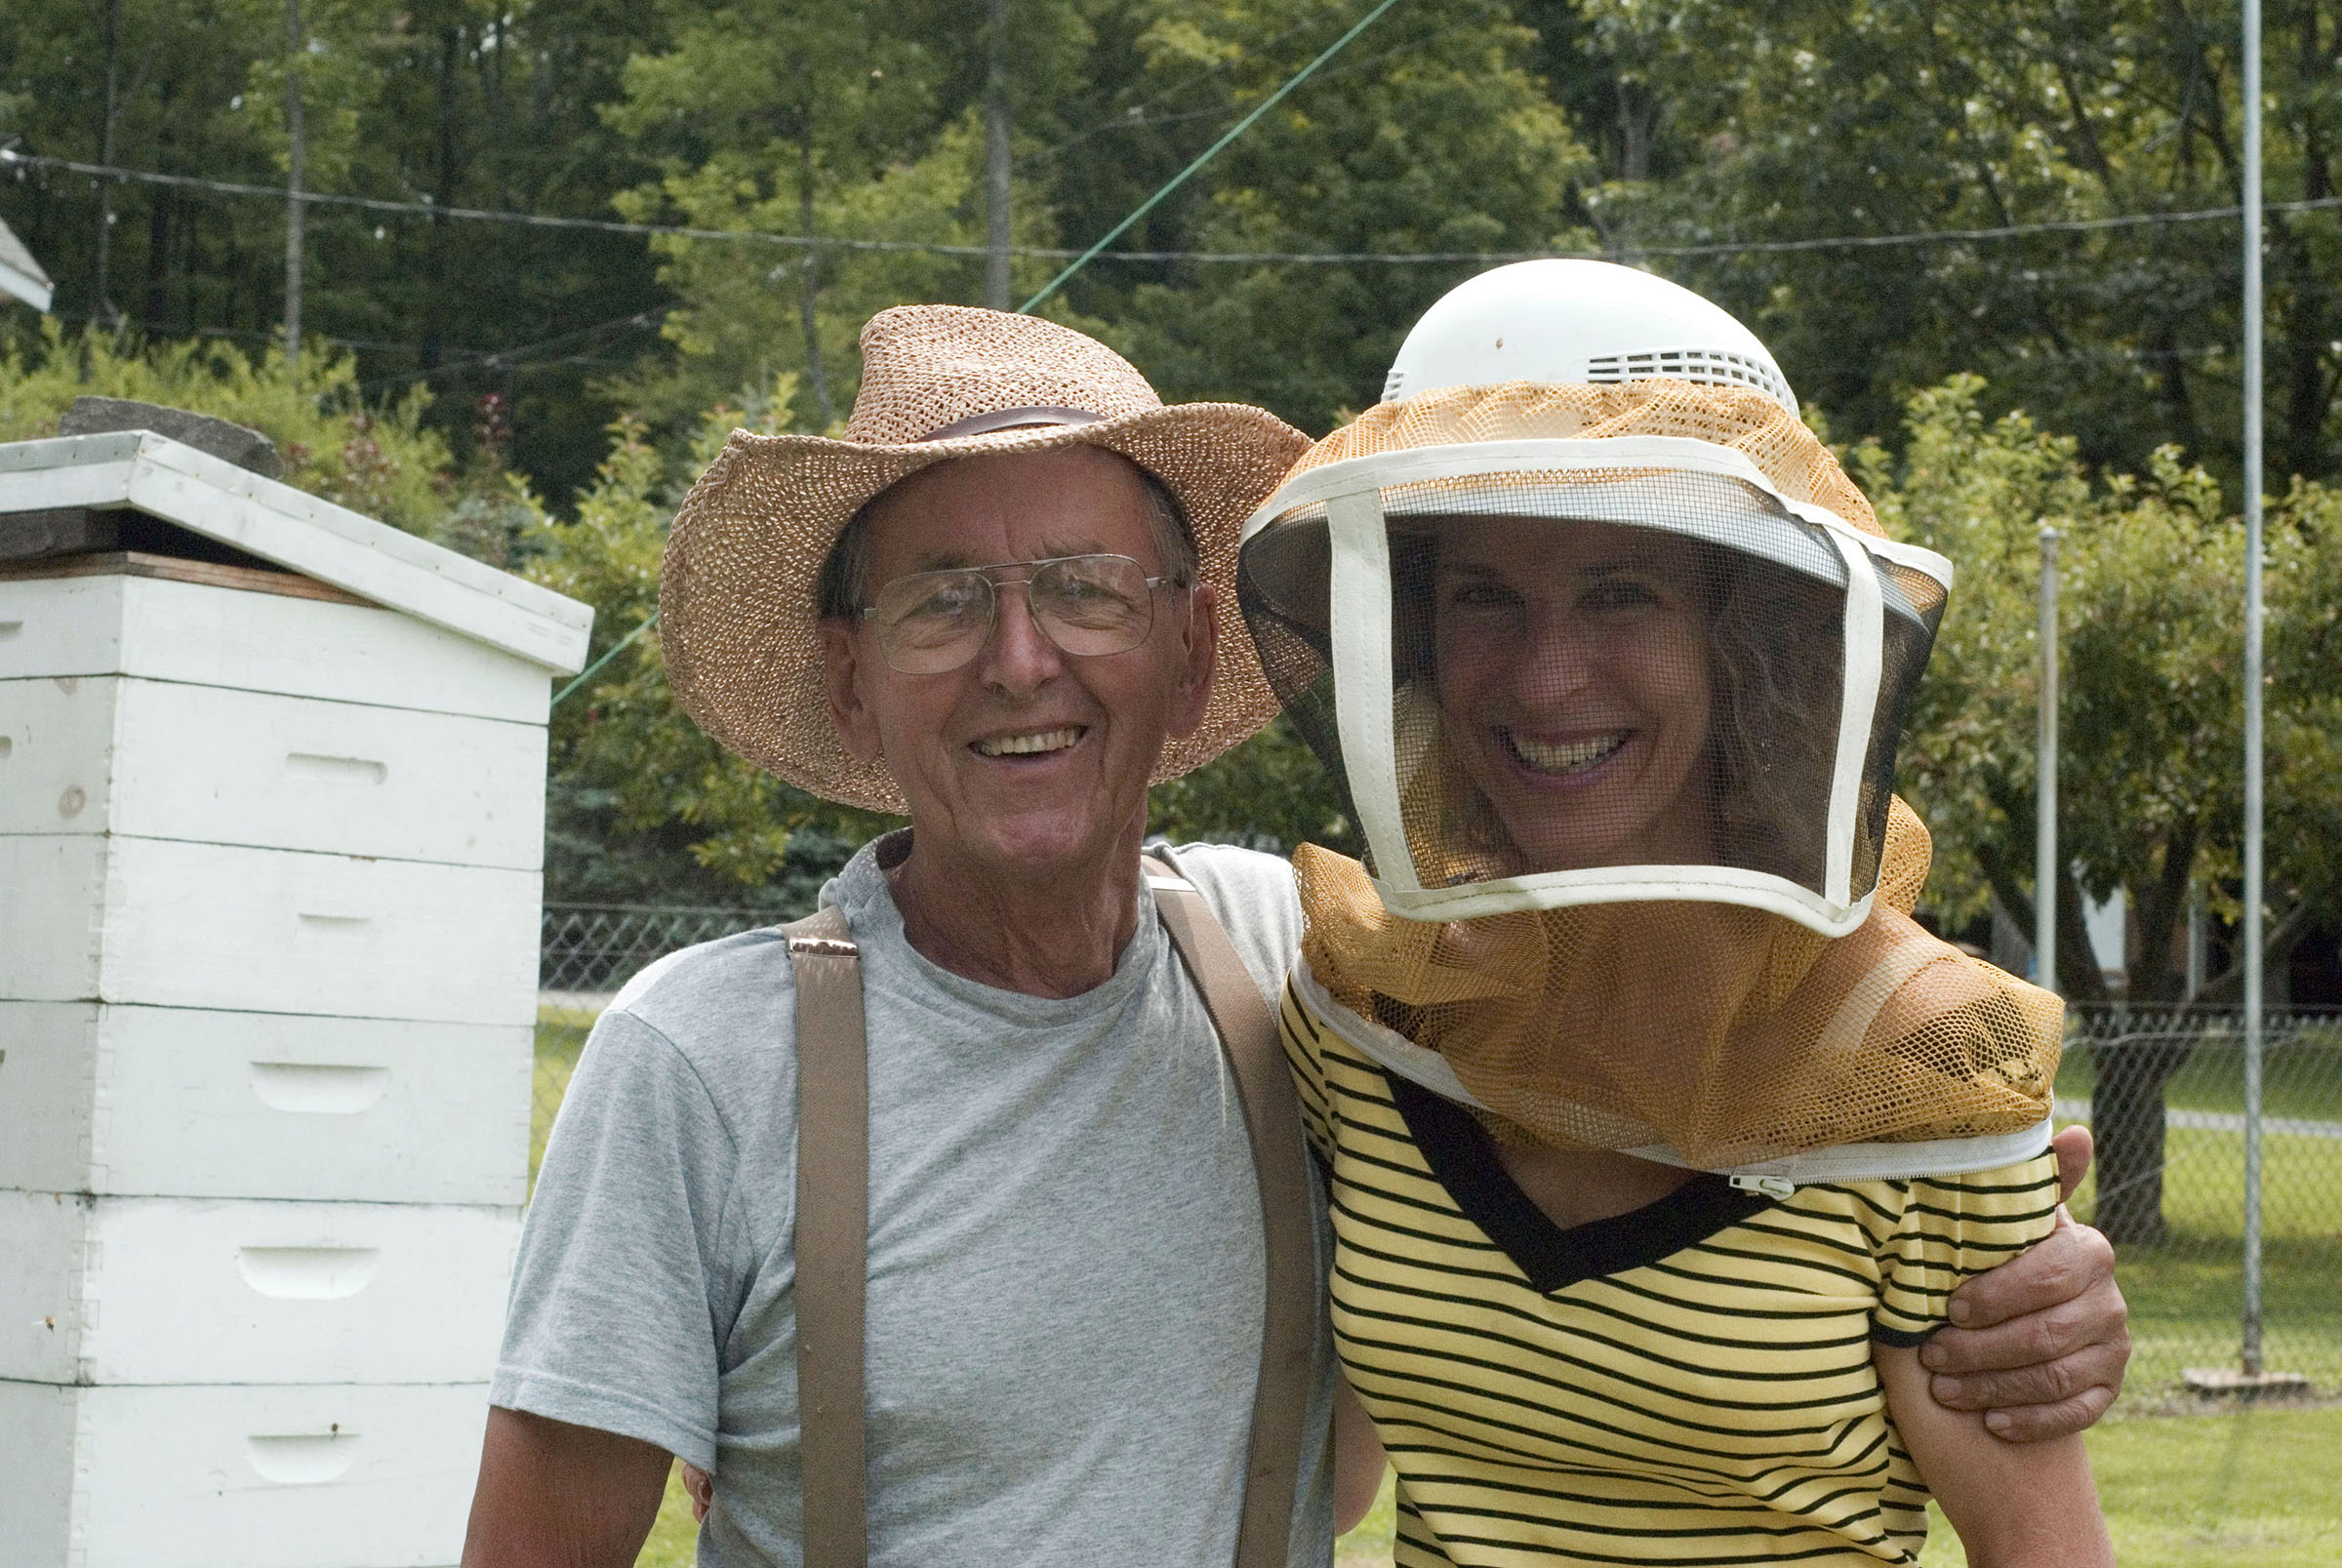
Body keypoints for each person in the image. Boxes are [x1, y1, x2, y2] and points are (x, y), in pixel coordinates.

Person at [462, 303, 2128, 1567]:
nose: (1021, 660)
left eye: (1086, 587)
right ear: (849, 674)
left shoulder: (1299, 967)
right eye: (941, 598)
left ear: (1194, 649)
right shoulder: (707, 1063)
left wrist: (2036, 1284)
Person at [1239, 260, 2118, 1565]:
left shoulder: (1927, 1056)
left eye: (1621, 593)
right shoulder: (1363, 1008)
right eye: (1484, 595)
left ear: (1748, 637)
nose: (1546, 678)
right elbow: (1339, 1474)